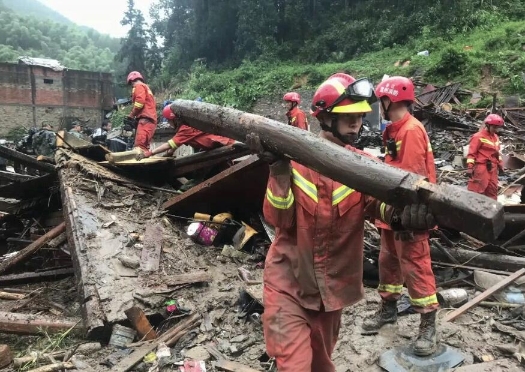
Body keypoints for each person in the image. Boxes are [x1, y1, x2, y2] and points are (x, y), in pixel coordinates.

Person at [256, 73, 435, 371]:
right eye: (348, 116)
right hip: (289, 284)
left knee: (321, 364)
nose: (357, 124)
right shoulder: (294, 163)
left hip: (332, 292)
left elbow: (381, 207)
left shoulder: (362, 168)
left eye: (360, 116)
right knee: (294, 364)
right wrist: (278, 172)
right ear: (325, 117)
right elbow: (278, 219)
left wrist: (405, 217)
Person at [361, 76, 438, 357]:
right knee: (388, 263)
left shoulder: (411, 131)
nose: (379, 105)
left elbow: (413, 180)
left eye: (380, 100)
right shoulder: (394, 130)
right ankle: (388, 309)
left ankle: (428, 324)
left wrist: (405, 217)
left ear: (388, 100)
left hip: (409, 215)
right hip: (392, 213)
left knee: (416, 267)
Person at [138, 105, 236, 159]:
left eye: (169, 121)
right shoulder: (187, 125)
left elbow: (170, 144)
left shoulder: (186, 128)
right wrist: (167, 155)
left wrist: (150, 153)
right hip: (218, 145)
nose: (168, 123)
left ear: (174, 119)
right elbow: (176, 144)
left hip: (224, 146)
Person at [466, 114, 504, 200]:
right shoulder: (478, 137)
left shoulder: (495, 137)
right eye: (494, 127)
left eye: (497, 128)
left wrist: (500, 164)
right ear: (488, 125)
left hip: (493, 168)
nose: (496, 130)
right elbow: (472, 154)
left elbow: (497, 153)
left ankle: (492, 210)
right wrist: (470, 167)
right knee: (477, 190)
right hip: (481, 167)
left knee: (492, 191)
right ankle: (474, 211)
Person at [126, 71, 157, 153]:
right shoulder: (146, 87)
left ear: (132, 81)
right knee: (144, 148)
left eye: (131, 84)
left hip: (145, 120)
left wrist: (131, 115)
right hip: (149, 119)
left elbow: (139, 103)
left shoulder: (138, 86)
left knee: (139, 148)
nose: (132, 86)